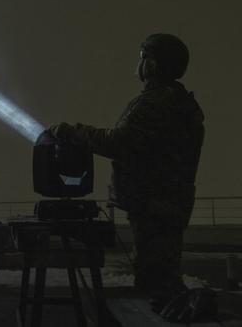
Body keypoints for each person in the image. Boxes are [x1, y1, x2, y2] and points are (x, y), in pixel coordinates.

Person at [50, 34, 205, 308]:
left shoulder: (155, 102)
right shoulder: (180, 102)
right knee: (160, 273)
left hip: (154, 203)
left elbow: (119, 143)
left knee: (156, 280)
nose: (140, 63)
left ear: (154, 65)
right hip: (168, 201)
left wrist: (76, 133)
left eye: (144, 57)